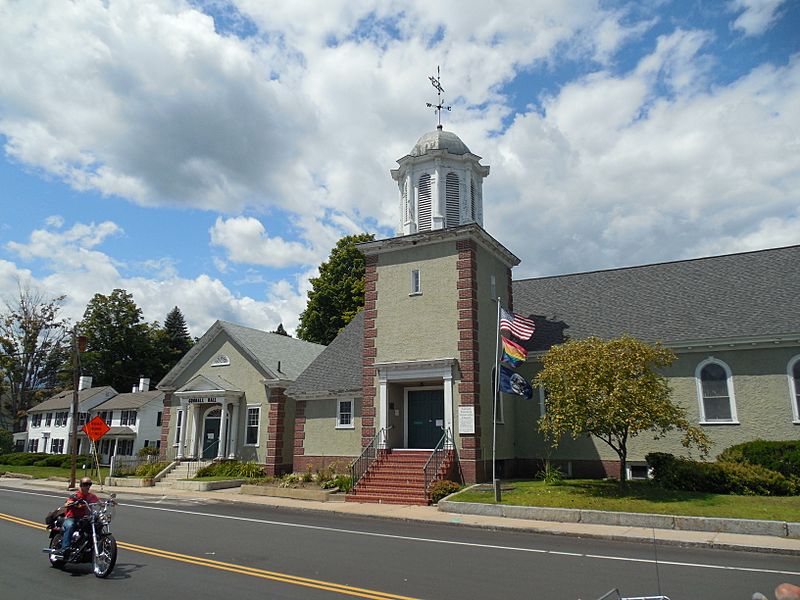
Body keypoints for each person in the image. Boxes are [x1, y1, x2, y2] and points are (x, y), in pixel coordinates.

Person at [53, 477, 100, 559]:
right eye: (85, 484)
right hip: (72, 517)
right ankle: (65, 548)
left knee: (98, 524)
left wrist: (109, 503)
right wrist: (71, 503)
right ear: (81, 485)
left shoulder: (91, 496)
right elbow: (67, 503)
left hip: (85, 518)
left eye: (89, 484)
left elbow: (99, 503)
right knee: (70, 526)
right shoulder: (75, 495)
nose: (88, 486)